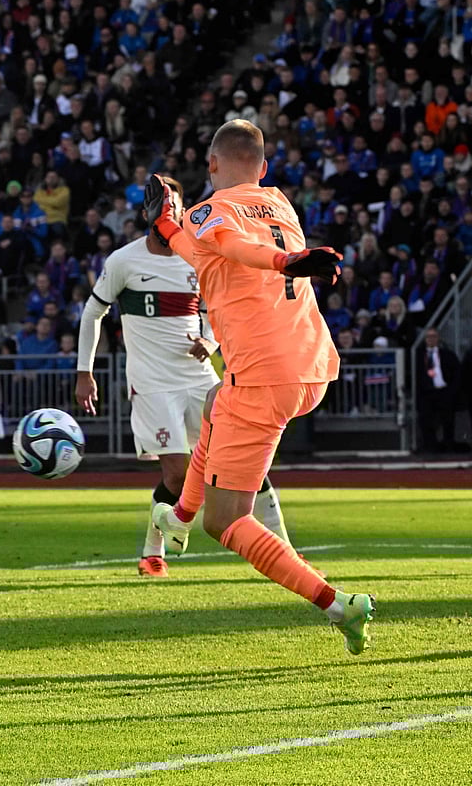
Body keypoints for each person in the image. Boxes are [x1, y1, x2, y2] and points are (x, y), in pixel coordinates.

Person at [144, 118, 374, 655]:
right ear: (263, 168)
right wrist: (172, 228)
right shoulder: (280, 203)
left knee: (225, 521)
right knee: (211, 401)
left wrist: (283, 260)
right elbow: (214, 251)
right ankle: (175, 518)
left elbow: (229, 245)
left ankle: (339, 604)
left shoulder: (210, 213)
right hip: (311, 362)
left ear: (211, 165)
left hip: (263, 376)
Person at [76, 177, 292, 578]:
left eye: (176, 204)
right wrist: (84, 372)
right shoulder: (124, 261)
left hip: (199, 378)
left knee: (250, 465)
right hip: (153, 383)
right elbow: (93, 314)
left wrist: (210, 342)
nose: (171, 211)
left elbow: (217, 308)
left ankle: (287, 549)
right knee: (177, 474)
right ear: (146, 213)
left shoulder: (196, 257)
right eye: (163, 204)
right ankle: (152, 552)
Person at [415, 327, 459, 453]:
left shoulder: (447, 354)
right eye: (428, 337)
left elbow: (456, 373)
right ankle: (430, 447)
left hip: (444, 391)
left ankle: (448, 446)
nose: (431, 339)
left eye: (433, 336)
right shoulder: (418, 355)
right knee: (426, 420)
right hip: (426, 393)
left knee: (448, 420)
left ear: (438, 338)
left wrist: (451, 390)